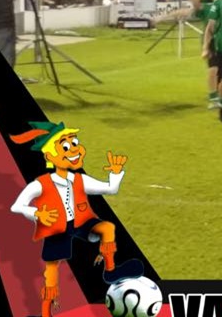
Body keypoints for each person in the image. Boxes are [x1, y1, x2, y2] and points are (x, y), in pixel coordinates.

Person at [10, 121, 143, 317]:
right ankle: (45, 313)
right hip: (57, 227)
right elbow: (16, 206)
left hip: (81, 222)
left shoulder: (79, 179)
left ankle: (111, 271)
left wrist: (115, 173)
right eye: (66, 146)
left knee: (107, 228)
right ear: (50, 156)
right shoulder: (40, 184)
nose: (75, 149)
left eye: (74, 143)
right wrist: (37, 214)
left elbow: (109, 188)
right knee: (52, 270)